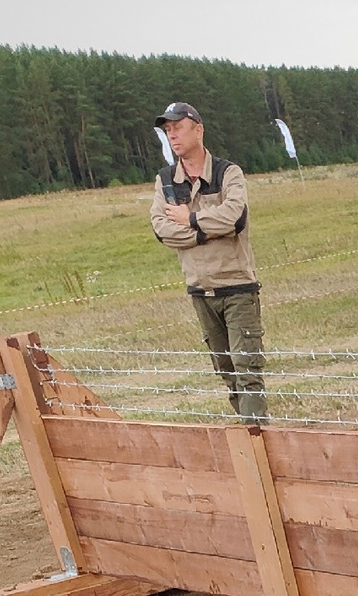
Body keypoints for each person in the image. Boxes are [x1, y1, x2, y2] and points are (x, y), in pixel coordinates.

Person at [149, 102, 267, 423]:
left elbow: (234, 218)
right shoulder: (165, 181)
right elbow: (162, 230)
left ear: (198, 130)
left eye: (178, 127)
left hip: (238, 287)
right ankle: (250, 439)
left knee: (248, 371)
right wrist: (203, 232)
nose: (172, 135)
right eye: (167, 130)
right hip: (201, 291)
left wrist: (189, 219)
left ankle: (258, 440)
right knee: (227, 372)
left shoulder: (228, 172)